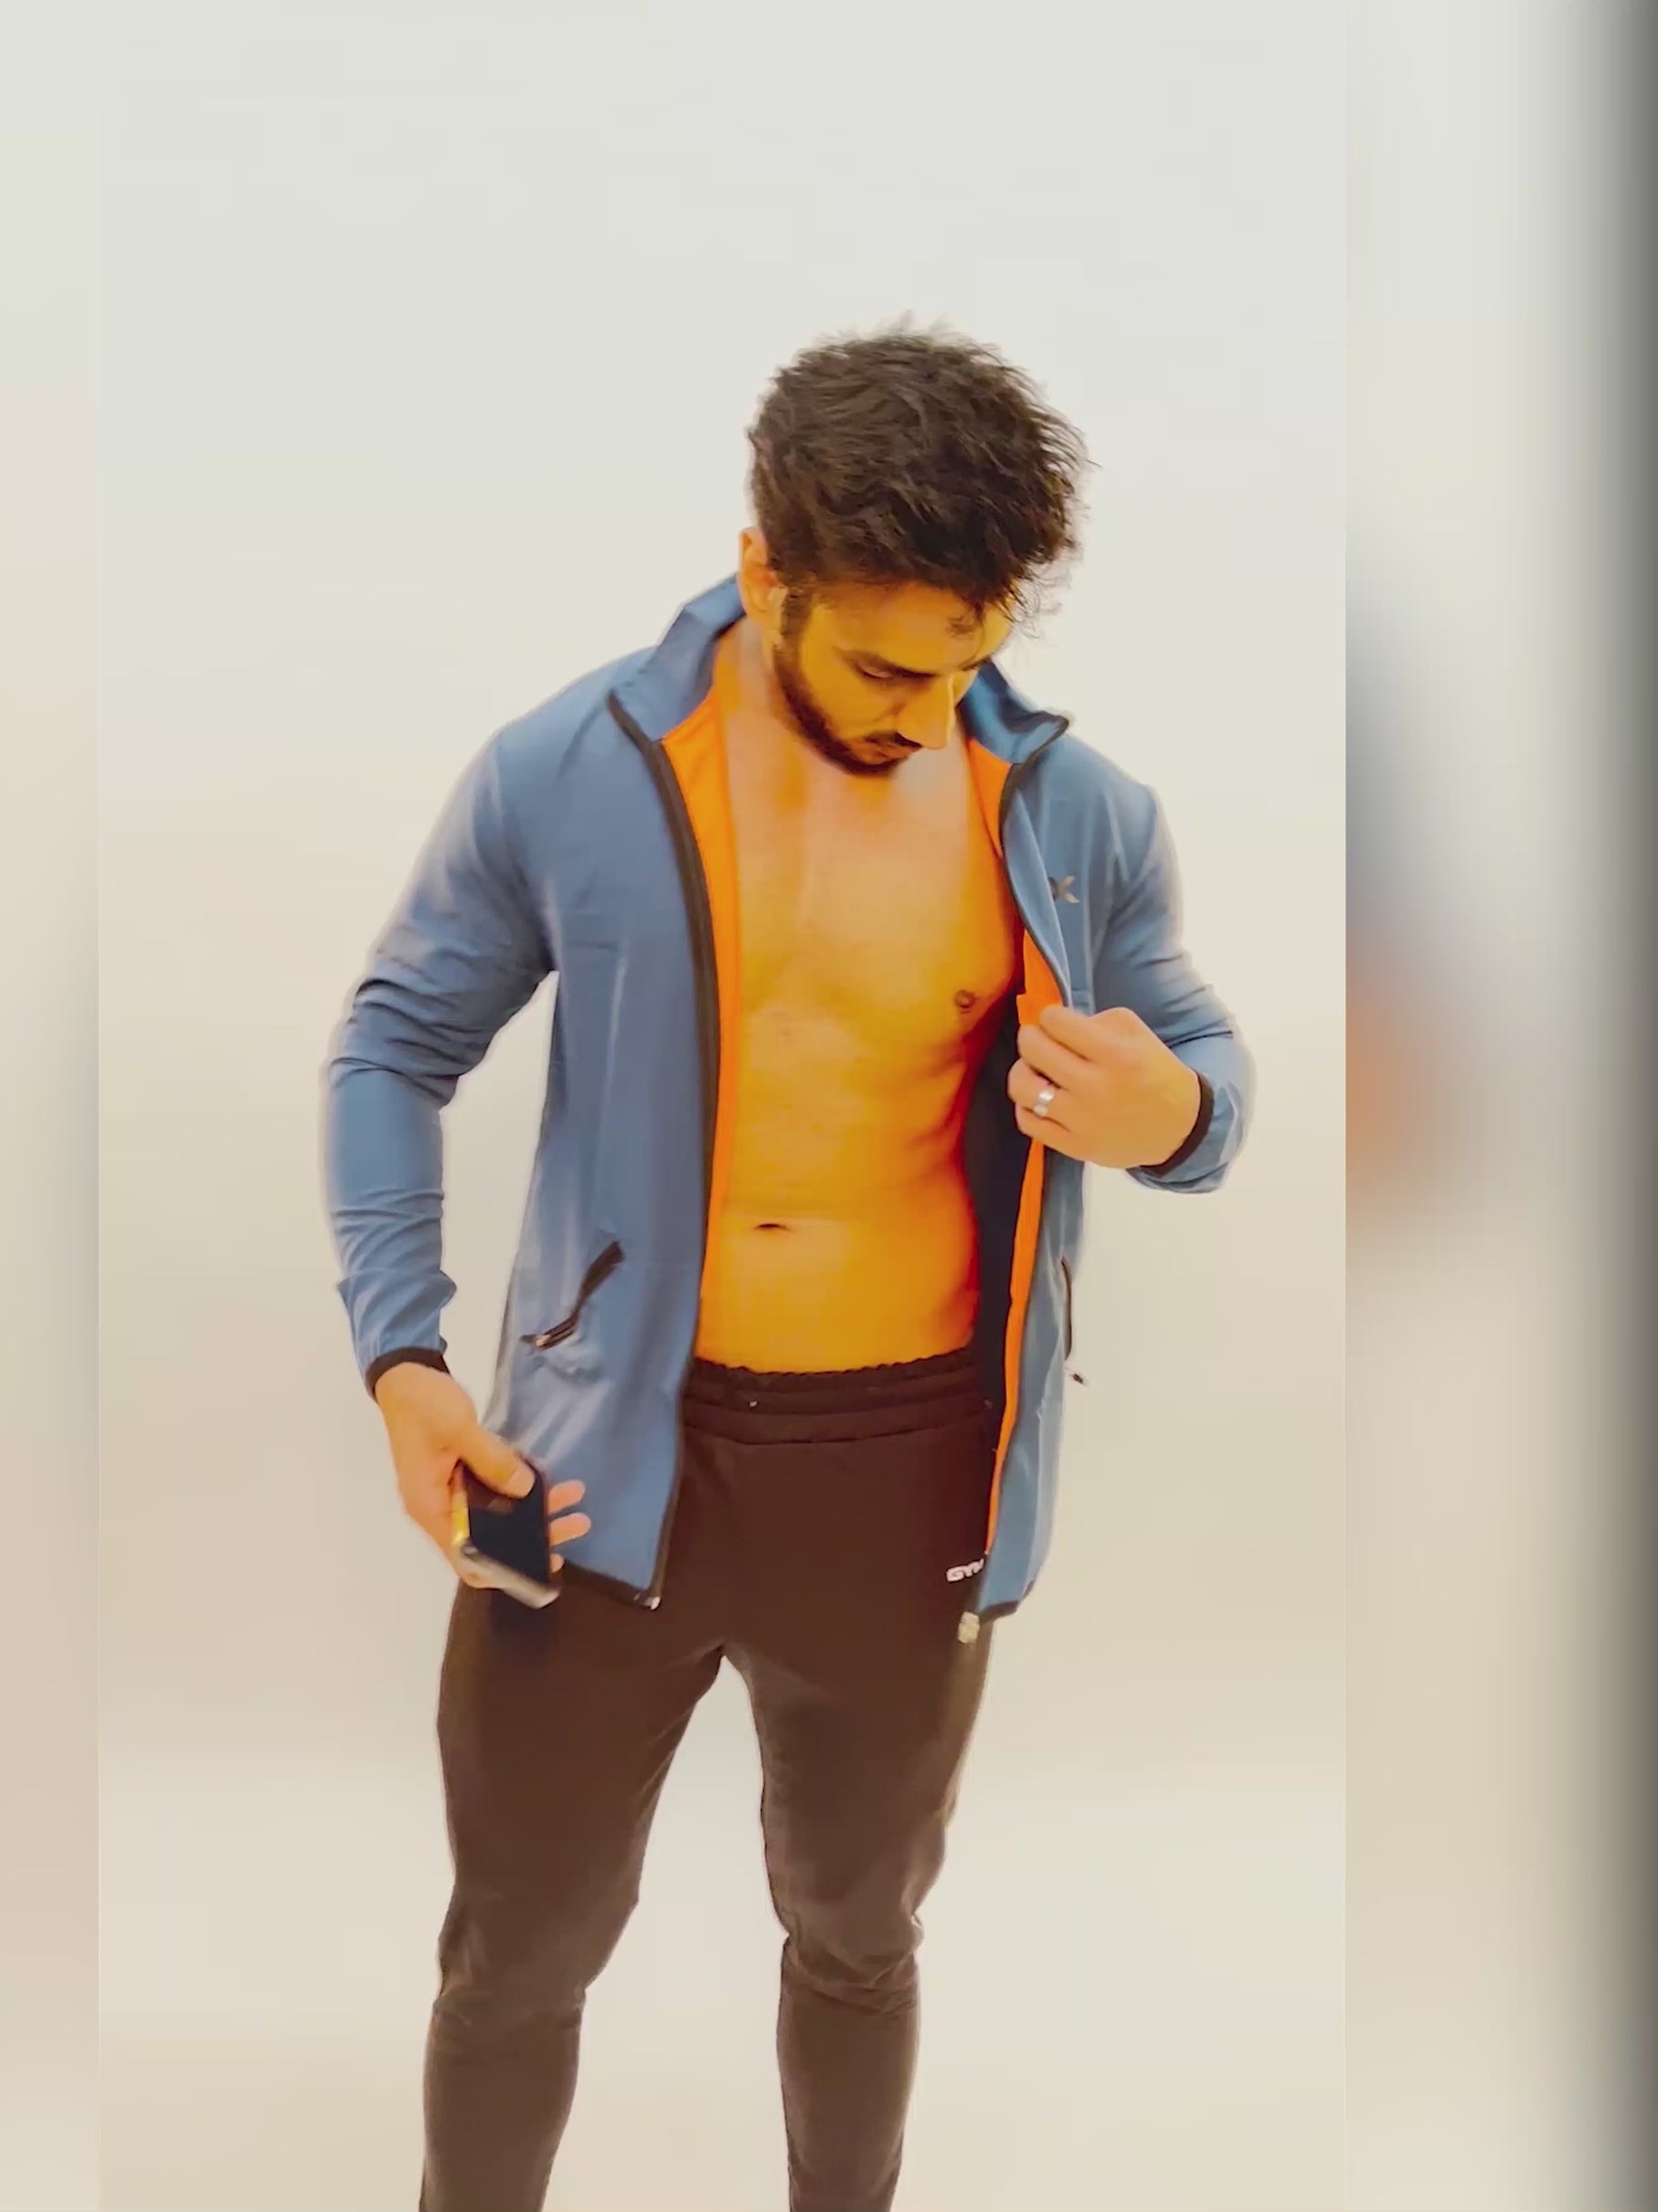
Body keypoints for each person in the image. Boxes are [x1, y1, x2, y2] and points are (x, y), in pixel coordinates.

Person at [320, 324, 1252, 2212]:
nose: (928, 709)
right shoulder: (573, 768)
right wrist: (403, 1362)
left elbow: (1201, 1073)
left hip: (907, 1475)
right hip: (593, 1461)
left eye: (968, 662)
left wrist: (1171, 1111)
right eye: (886, 664)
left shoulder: (1074, 813)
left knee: (857, 1935)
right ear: (766, 572)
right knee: (518, 1952)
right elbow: (392, 1047)